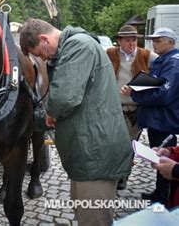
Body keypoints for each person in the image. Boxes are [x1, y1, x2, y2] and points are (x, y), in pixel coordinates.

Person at [19, 19, 132, 226]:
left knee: (93, 220)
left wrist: (47, 115)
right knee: (83, 214)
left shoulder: (78, 45)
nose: (42, 58)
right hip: (87, 152)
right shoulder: (75, 46)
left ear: (44, 40)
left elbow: (63, 98)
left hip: (96, 154)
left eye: (38, 53)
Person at [121, 27, 179, 205]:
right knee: (159, 157)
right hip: (157, 119)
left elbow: (163, 94)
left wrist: (136, 94)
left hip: (164, 120)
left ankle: (165, 198)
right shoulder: (164, 59)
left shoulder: (174, 63)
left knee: (166, 159)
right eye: (153, 40)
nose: (154, 43)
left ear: (171, 42)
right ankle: (159, 193)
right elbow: (156, 84)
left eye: (159, 40)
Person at [106, 25, 158, 190]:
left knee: (129, 143)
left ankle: (124, 173)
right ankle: (113, 171)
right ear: (119, 40)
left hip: (135, 109)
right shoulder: (110, 53)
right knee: (113, 142)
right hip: (113, 106)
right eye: (127, 40)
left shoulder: (146, 55)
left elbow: (163, 70)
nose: (131, 43)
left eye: (134, 39)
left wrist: (140, 87)